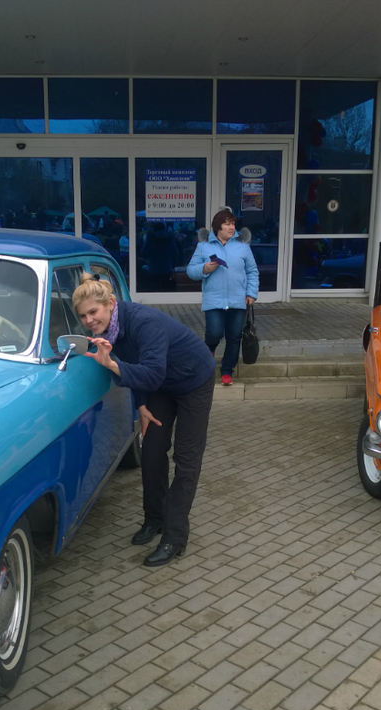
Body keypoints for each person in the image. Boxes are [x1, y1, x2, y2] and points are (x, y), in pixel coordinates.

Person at [72, 274, 216, 567]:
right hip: (162, 383)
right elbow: (136, 364)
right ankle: (154, 519)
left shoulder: (143, 322)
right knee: (151, 450)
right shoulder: (110, 329)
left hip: (194, 379)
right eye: (83, 316)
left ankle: (174, 537)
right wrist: (141, 405)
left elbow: (149, 372)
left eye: (93, 312)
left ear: (110, 303)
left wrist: (112, 364)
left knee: (186, 459)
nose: (89, 320)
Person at [186, 209, 259, 386]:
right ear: (217, 227)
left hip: (237, 300)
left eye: (233, 224)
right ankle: (208, 351)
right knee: (214, 333)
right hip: (214, 300)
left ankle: (227, 371)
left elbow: (252, 271)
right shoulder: (204, 246)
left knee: (234, 337)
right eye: (227, 224)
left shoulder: (243, 246)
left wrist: (251, 293)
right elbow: (190, 270)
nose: (231, 227)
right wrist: (204, 269)